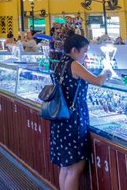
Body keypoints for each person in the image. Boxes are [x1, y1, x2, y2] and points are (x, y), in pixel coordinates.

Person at [50, 34, 110, 190]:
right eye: (84, 51)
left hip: (61, 118)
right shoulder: (74, 65)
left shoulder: (59, 63)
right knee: (75, 168)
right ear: (74, 50)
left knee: (66, 166)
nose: (85, 55)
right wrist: (106, 71)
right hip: (74, 121)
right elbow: (98, 81)